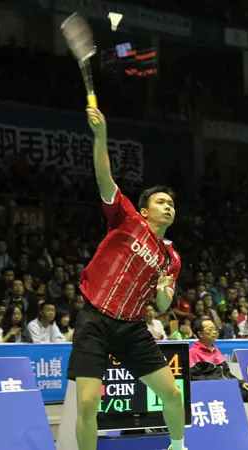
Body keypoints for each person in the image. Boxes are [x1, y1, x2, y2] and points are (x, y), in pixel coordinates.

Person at [66, 107, 185, 450]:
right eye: (162, 202)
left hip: (132, 328)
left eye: (172, 205)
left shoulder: (170, 258)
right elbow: (104, 177)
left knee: (172, 393)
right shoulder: (126, 218)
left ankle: (178, 446)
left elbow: (162, 306)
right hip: (96, 319)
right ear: (145, 210)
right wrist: (101, 135)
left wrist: (163, 291)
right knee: (88, 403)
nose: (169, 207)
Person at [189, 318, 248, 402]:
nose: (214, 332)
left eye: (214, 328)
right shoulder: (193, 352)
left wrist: (241, 383)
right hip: (213, 391)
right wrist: (219, 386)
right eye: (210, 329)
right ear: (200, 334)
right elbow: (196, 379)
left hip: (226, 387)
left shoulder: (216, 350)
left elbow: (227, 374)